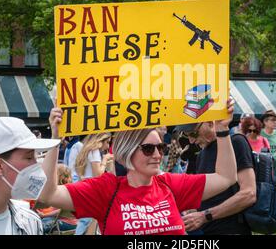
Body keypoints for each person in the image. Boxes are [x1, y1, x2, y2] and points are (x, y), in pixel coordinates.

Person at [39, 99, 238, 235]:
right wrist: (55, 138)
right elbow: (48, 195)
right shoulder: (106, 189)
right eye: (148, 149)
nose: (158, 154)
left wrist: (222, 130)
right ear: (127, 151)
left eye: (160, 147)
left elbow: (226, 177)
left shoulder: (169, 184)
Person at [177, 118, 257, 235]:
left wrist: (205, 216)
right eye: (186, 135)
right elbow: (212, 199)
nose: (191, 141)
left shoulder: (235, 142)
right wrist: (193, 211)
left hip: (232, 229)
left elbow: (249, 194)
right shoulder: (201, 155)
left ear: (210, 123)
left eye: (194, 133)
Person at [73, 133, 114, 235]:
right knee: (86, 221)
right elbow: (97, 175)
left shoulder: (85, 149)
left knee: (86, 220)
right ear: (100, 140)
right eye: (107, 142)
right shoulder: (94, 151)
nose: (108, 146)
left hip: (84, 186)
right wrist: (105, 160)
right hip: (91, 188)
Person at [36, 164, 77, 234]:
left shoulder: (59, 192)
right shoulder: (71, 189)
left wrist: (44, 215)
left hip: (64, 223)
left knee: (37, 227)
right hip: (74, 224)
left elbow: (59, 212)